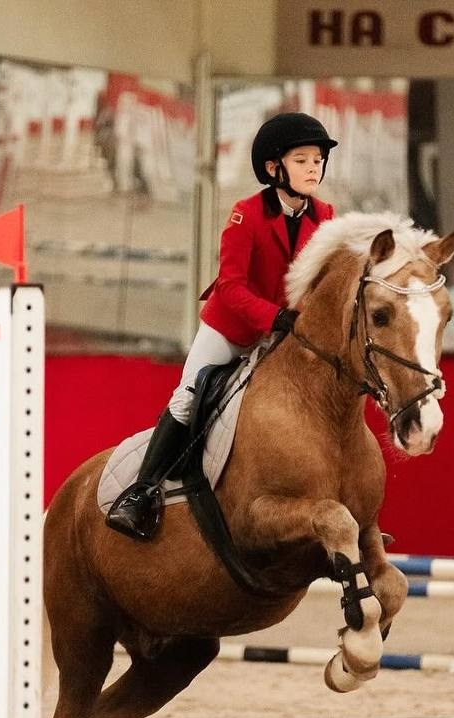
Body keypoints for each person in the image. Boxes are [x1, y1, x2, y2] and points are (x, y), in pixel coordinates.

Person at [106, 112, 338, 541]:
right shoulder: (246, 214)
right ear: (274, 168)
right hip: (232, 330)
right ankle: (140, 493)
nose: (313, 168)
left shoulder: (325, 216)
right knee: (187, 397)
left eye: (318, 160)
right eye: (302, 160)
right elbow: (230, 287)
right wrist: (275, 318)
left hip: (284, 334)